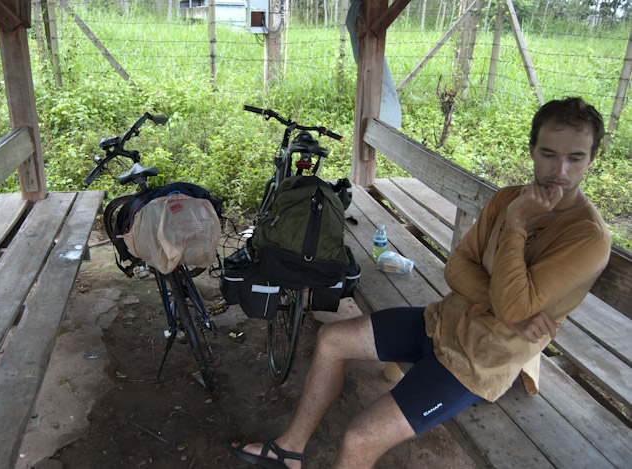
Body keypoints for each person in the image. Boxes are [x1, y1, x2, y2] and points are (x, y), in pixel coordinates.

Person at [227, 97, 612, 469]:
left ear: (591, 160)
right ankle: (289, 450)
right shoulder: (509, 199)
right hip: (443, 321)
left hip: (479, 361)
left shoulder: (586, 236)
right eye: (549, 154)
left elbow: (509, 306)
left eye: (575, 158)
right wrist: (509, 310)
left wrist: (516, 226)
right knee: (332, 341)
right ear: (532, 150)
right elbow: (457, 269)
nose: (559, 171)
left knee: (360, 437)